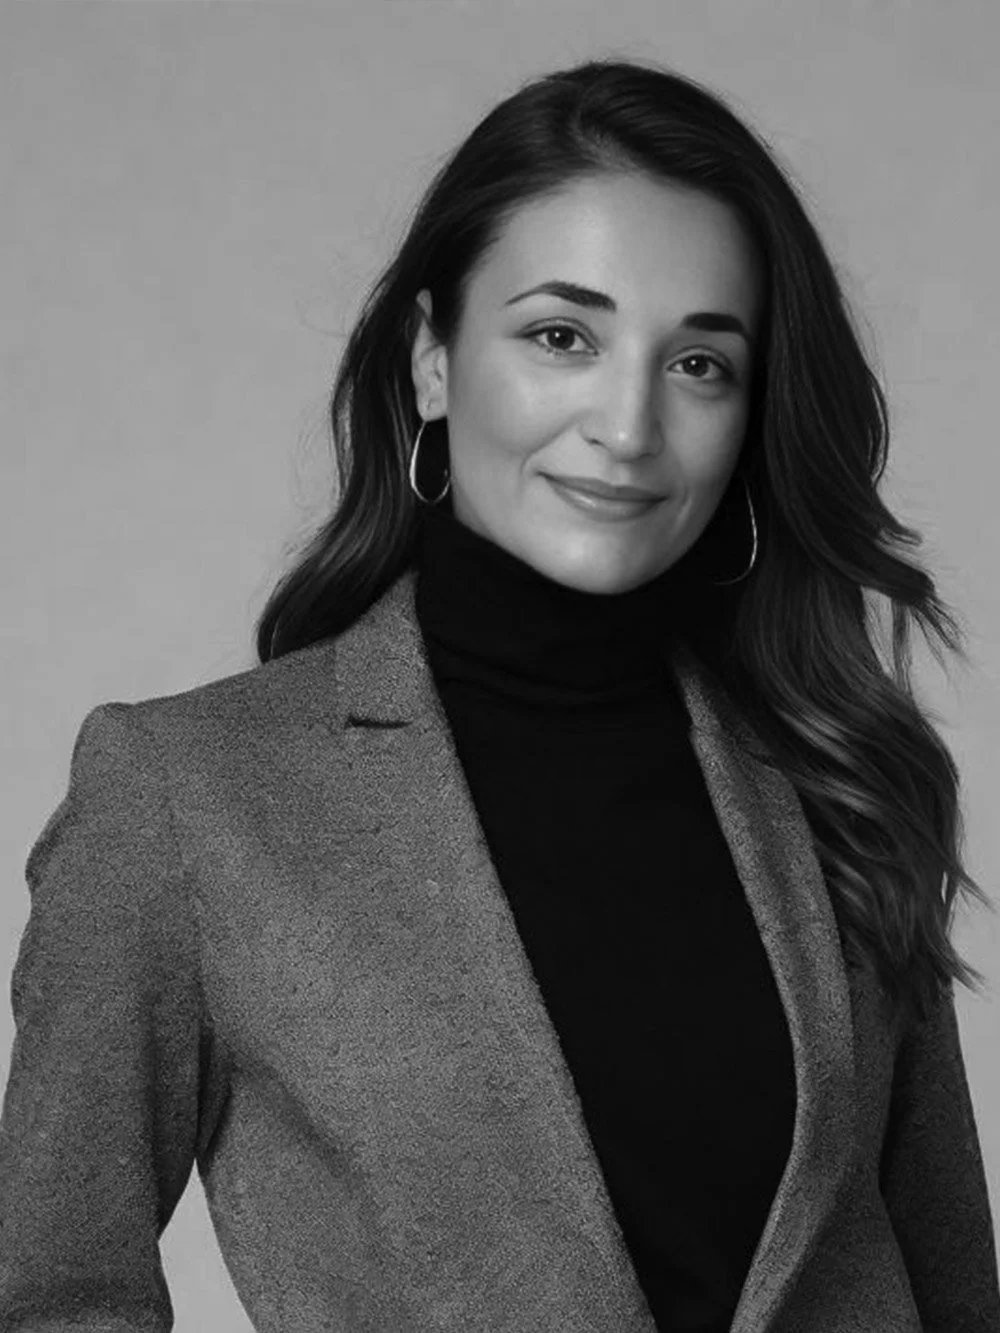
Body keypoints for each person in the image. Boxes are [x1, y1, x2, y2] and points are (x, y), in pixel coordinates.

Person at [0, 56, 997, 1333]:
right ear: (431, 360)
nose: (627, 425)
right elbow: (54, 1298)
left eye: (700, 364)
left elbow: (953, 1289)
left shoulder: (831, 771)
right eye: (560, 337)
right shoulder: (186, 801)